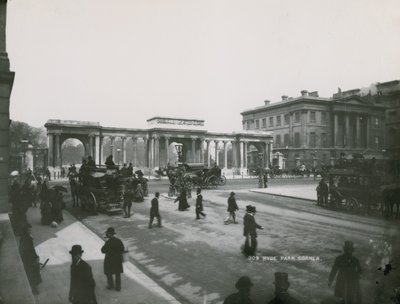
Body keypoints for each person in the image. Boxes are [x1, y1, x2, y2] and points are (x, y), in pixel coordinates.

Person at [19, 224, 42, 294]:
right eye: (29, 229)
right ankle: (34, 289)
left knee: (31, 273)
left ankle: (34, 287)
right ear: (26, 230)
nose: (30, 230)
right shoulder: (28, 239)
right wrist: (35, 258)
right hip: (29, 260)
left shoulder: (23, 237)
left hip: (26, 259)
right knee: (34, 273)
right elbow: (31, 250)